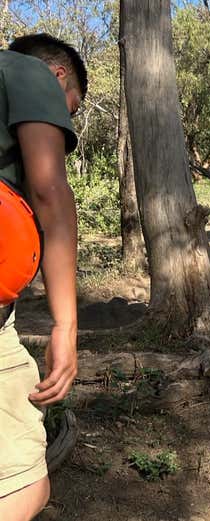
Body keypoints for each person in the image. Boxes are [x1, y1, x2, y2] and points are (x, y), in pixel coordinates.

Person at [0, 34, 86, 520]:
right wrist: (65, 327)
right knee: (24, 487)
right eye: (67, 110)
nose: (62, 120)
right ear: (58, 78)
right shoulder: (30, 73)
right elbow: (50, 191)